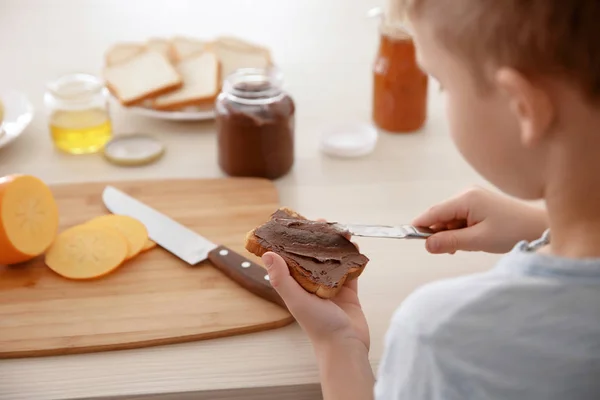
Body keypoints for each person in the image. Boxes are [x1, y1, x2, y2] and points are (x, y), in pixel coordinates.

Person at [261, 0, 600, 398]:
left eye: (442, 83)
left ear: (522, 106)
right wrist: (542, 224)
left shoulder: (446, 339)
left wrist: (337, 343)